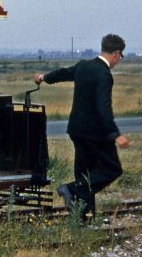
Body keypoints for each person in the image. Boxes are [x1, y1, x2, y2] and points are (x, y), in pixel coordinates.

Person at [33, 34, 130, 222]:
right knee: (112, 169)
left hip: (76, 130)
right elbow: (103, 107)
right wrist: (115, 135)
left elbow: (62, 73)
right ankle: (71, 189)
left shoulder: (83, 66)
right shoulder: (104, 75)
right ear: (116, 53)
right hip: (96, 134)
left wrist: (43, 77)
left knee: (85, 174)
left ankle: (83, 219)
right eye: (121, 56)